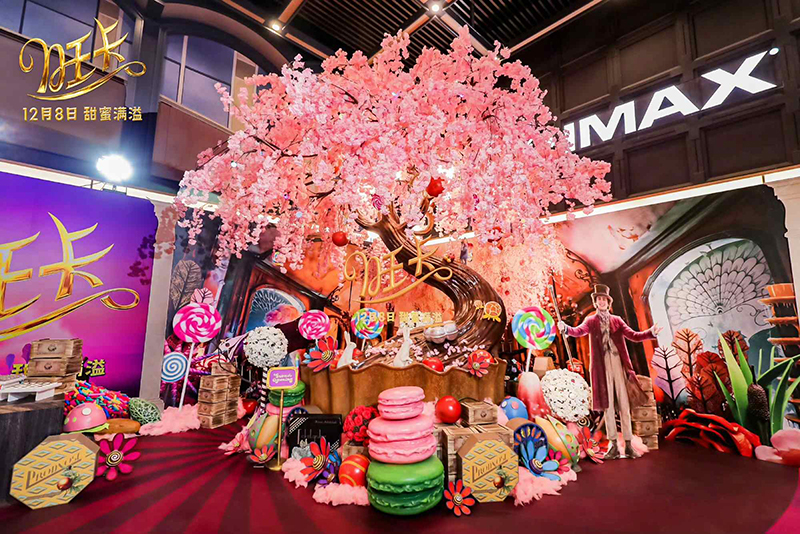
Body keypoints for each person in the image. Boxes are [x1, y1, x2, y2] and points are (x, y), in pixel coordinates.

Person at [558, 284, 661, 459]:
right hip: (602, 368)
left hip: (619, 365)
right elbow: (578, 331)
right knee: (608, 407)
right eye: (599, 299)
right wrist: (566, 328)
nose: (602, 302)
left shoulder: (617, 320)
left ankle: (628, 444)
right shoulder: (591, 321)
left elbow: (633, 335)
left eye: (604, 299)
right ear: (596, 302)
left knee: (624, 405)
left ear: (608, 302)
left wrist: (650, 332)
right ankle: (613, 445)